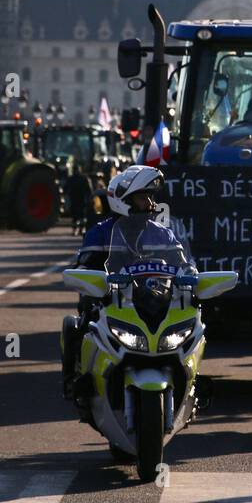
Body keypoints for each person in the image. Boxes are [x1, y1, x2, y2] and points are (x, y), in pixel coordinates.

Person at [62, 164, 193, 398]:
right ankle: (74, 383)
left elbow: (184, 265)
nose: (151, 205)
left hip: (155, 303)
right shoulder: (100, 232)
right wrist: (88, 277)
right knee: (75, 326)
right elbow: (83, 266)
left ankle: (192, 383)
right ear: (124, 200)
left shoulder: (163, 233)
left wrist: (191, 276)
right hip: (109, 303)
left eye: (150, 198)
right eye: (144, 198)